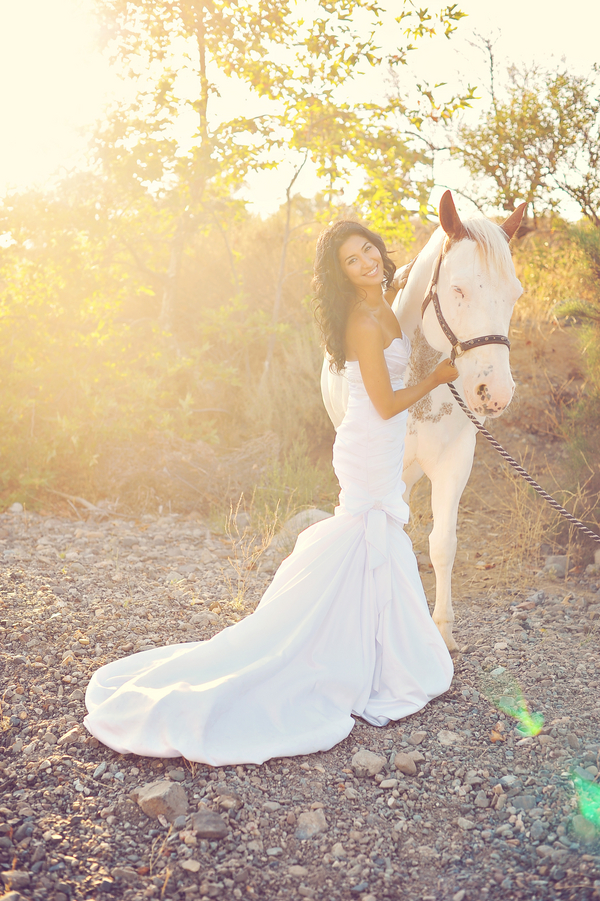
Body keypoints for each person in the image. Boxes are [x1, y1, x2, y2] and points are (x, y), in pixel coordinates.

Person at [84, 221, 459, 766]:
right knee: (365, 530)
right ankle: (342, 652)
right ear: (340, 275)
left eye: (368, 251)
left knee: (377, 535)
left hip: (380, 444)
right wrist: (436, 378)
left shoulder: (384, 302)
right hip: (369, 441)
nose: (365, 262)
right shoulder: (360, 318)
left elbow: (416, 291)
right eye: (351, 261)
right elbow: (381, 402)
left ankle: (382, 652)